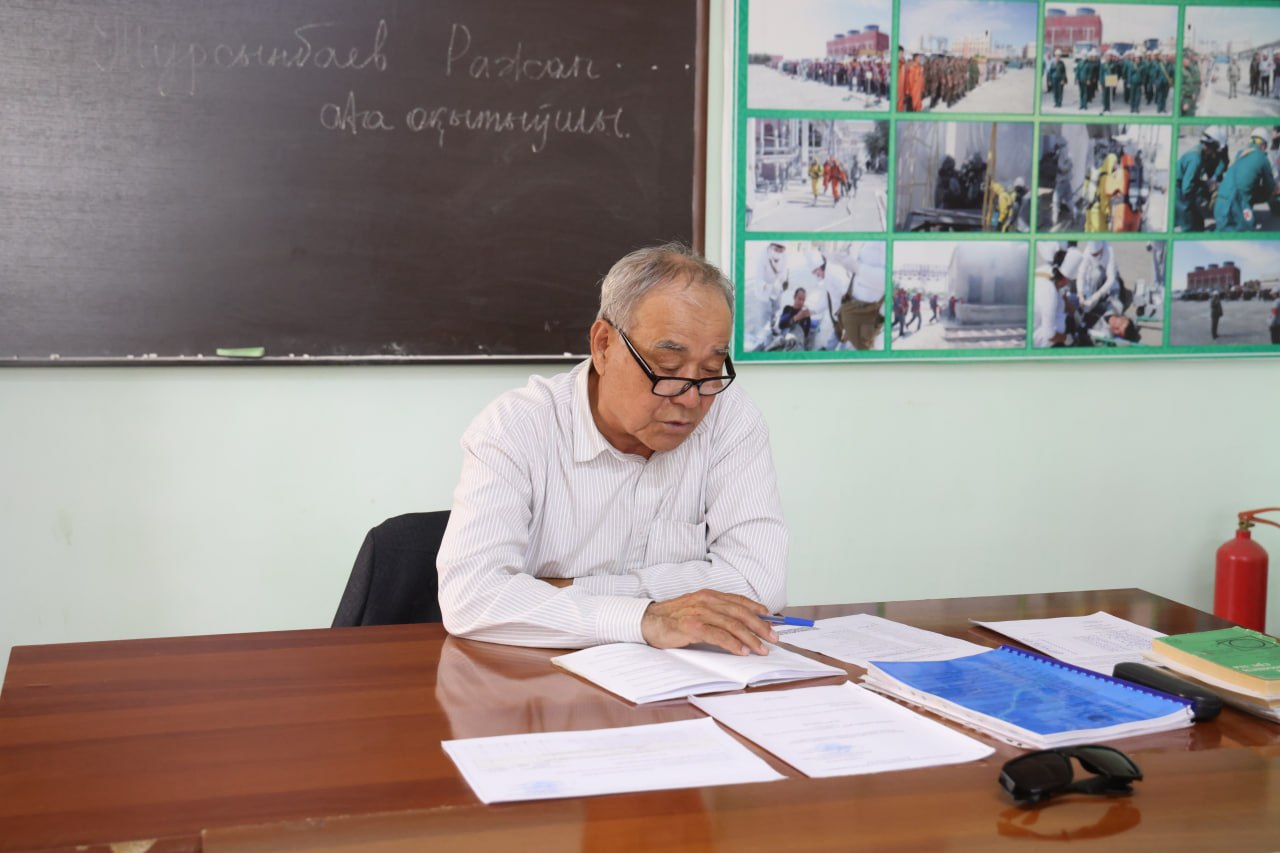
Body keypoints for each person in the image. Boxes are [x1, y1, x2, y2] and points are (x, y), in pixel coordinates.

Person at [437, 244, 787, 655]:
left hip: (680, 678)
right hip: (536, 674)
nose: (691, 398)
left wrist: (573, 590)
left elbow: (759, 584)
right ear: (603, 345)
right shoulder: (518, 427)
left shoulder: (730, 417)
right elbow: (471, 596)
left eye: (710, 371)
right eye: (668, 369)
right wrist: (645, 618)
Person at [1214, 128, 1279, 232]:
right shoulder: (1262, 157)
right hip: (1237, 205)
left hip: (1219, 204)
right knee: (1246, 235)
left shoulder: (1240, 154)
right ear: (1263, 145)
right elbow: (1270, 187)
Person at [1176, 128, 1227, 232]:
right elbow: (1187, 189)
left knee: (1199, 224)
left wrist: (1207, 183)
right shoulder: (1196, 159)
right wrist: (1205, 189)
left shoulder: (1200, 152)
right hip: (1180, 194)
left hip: (1184, 189)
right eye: (1216, 148)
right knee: (1190, 227)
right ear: (1212, 146)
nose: (1216, 152)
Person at [1033, 244, 1083, 347]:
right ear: (1065, 279)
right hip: (1033, 333)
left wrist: (1077, 316)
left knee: (1062, 307)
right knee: (1060, 327)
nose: (1069, 283)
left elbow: (1063, 297)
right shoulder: (1049, 293)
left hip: (1036, 315)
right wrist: (1066, 339)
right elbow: (1049, 335)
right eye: (1069, 281)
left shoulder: (1048, 270)